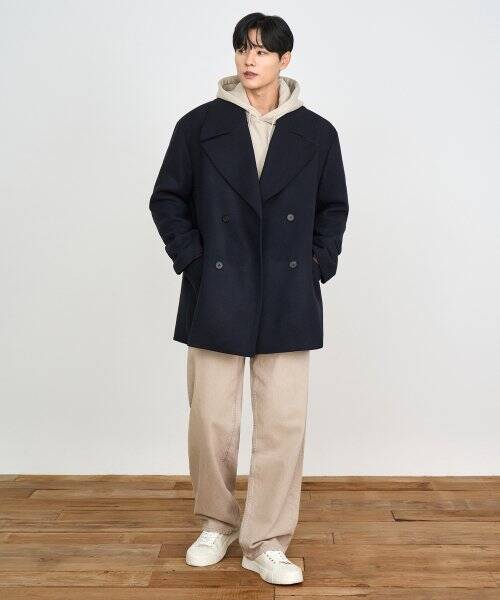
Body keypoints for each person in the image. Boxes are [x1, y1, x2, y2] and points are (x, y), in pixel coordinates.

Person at [149, 12, 349, 586]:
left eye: (261, 50)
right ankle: (216, 522)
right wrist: (193, 261)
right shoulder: (199, 126)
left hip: (287, 291)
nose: (249, 59)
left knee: (282, 424)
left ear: (285, 60)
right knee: (211, 420)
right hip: (217, 287)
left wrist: (317, 263)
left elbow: (333, 208)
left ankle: (266, 540)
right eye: (242, 47)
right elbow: (167, 199)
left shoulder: (317, 133)